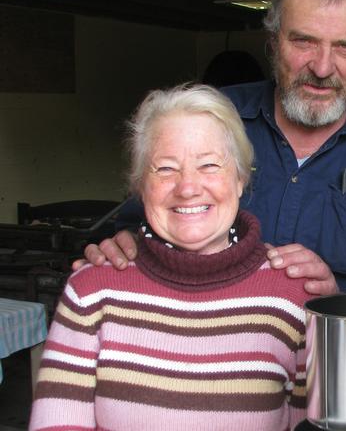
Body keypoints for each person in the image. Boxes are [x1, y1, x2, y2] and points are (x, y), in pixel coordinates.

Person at [75, 0, 346, 293]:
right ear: (273, 42)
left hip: (333, 361)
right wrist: (125, 242)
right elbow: (139, 222)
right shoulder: (209, 119)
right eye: (304, 41)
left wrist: (341, 304)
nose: (321, 68)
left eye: (345, 48)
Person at [30, 84, 311, 431]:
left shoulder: (296, 299)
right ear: (139, 186)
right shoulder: (90, 292)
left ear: (239, 179)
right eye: (165, 169)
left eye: (209, 165)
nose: (187, 187)